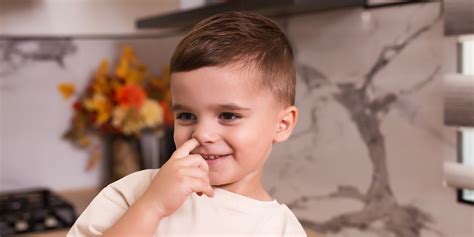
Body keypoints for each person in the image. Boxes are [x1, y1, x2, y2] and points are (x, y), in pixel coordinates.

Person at [68, 11, 305, 236]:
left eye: (228, 115)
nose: (202, 134)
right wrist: (153, 207)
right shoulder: (134, 193)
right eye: (186, 116)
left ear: (282, 124)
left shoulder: (282, 230)